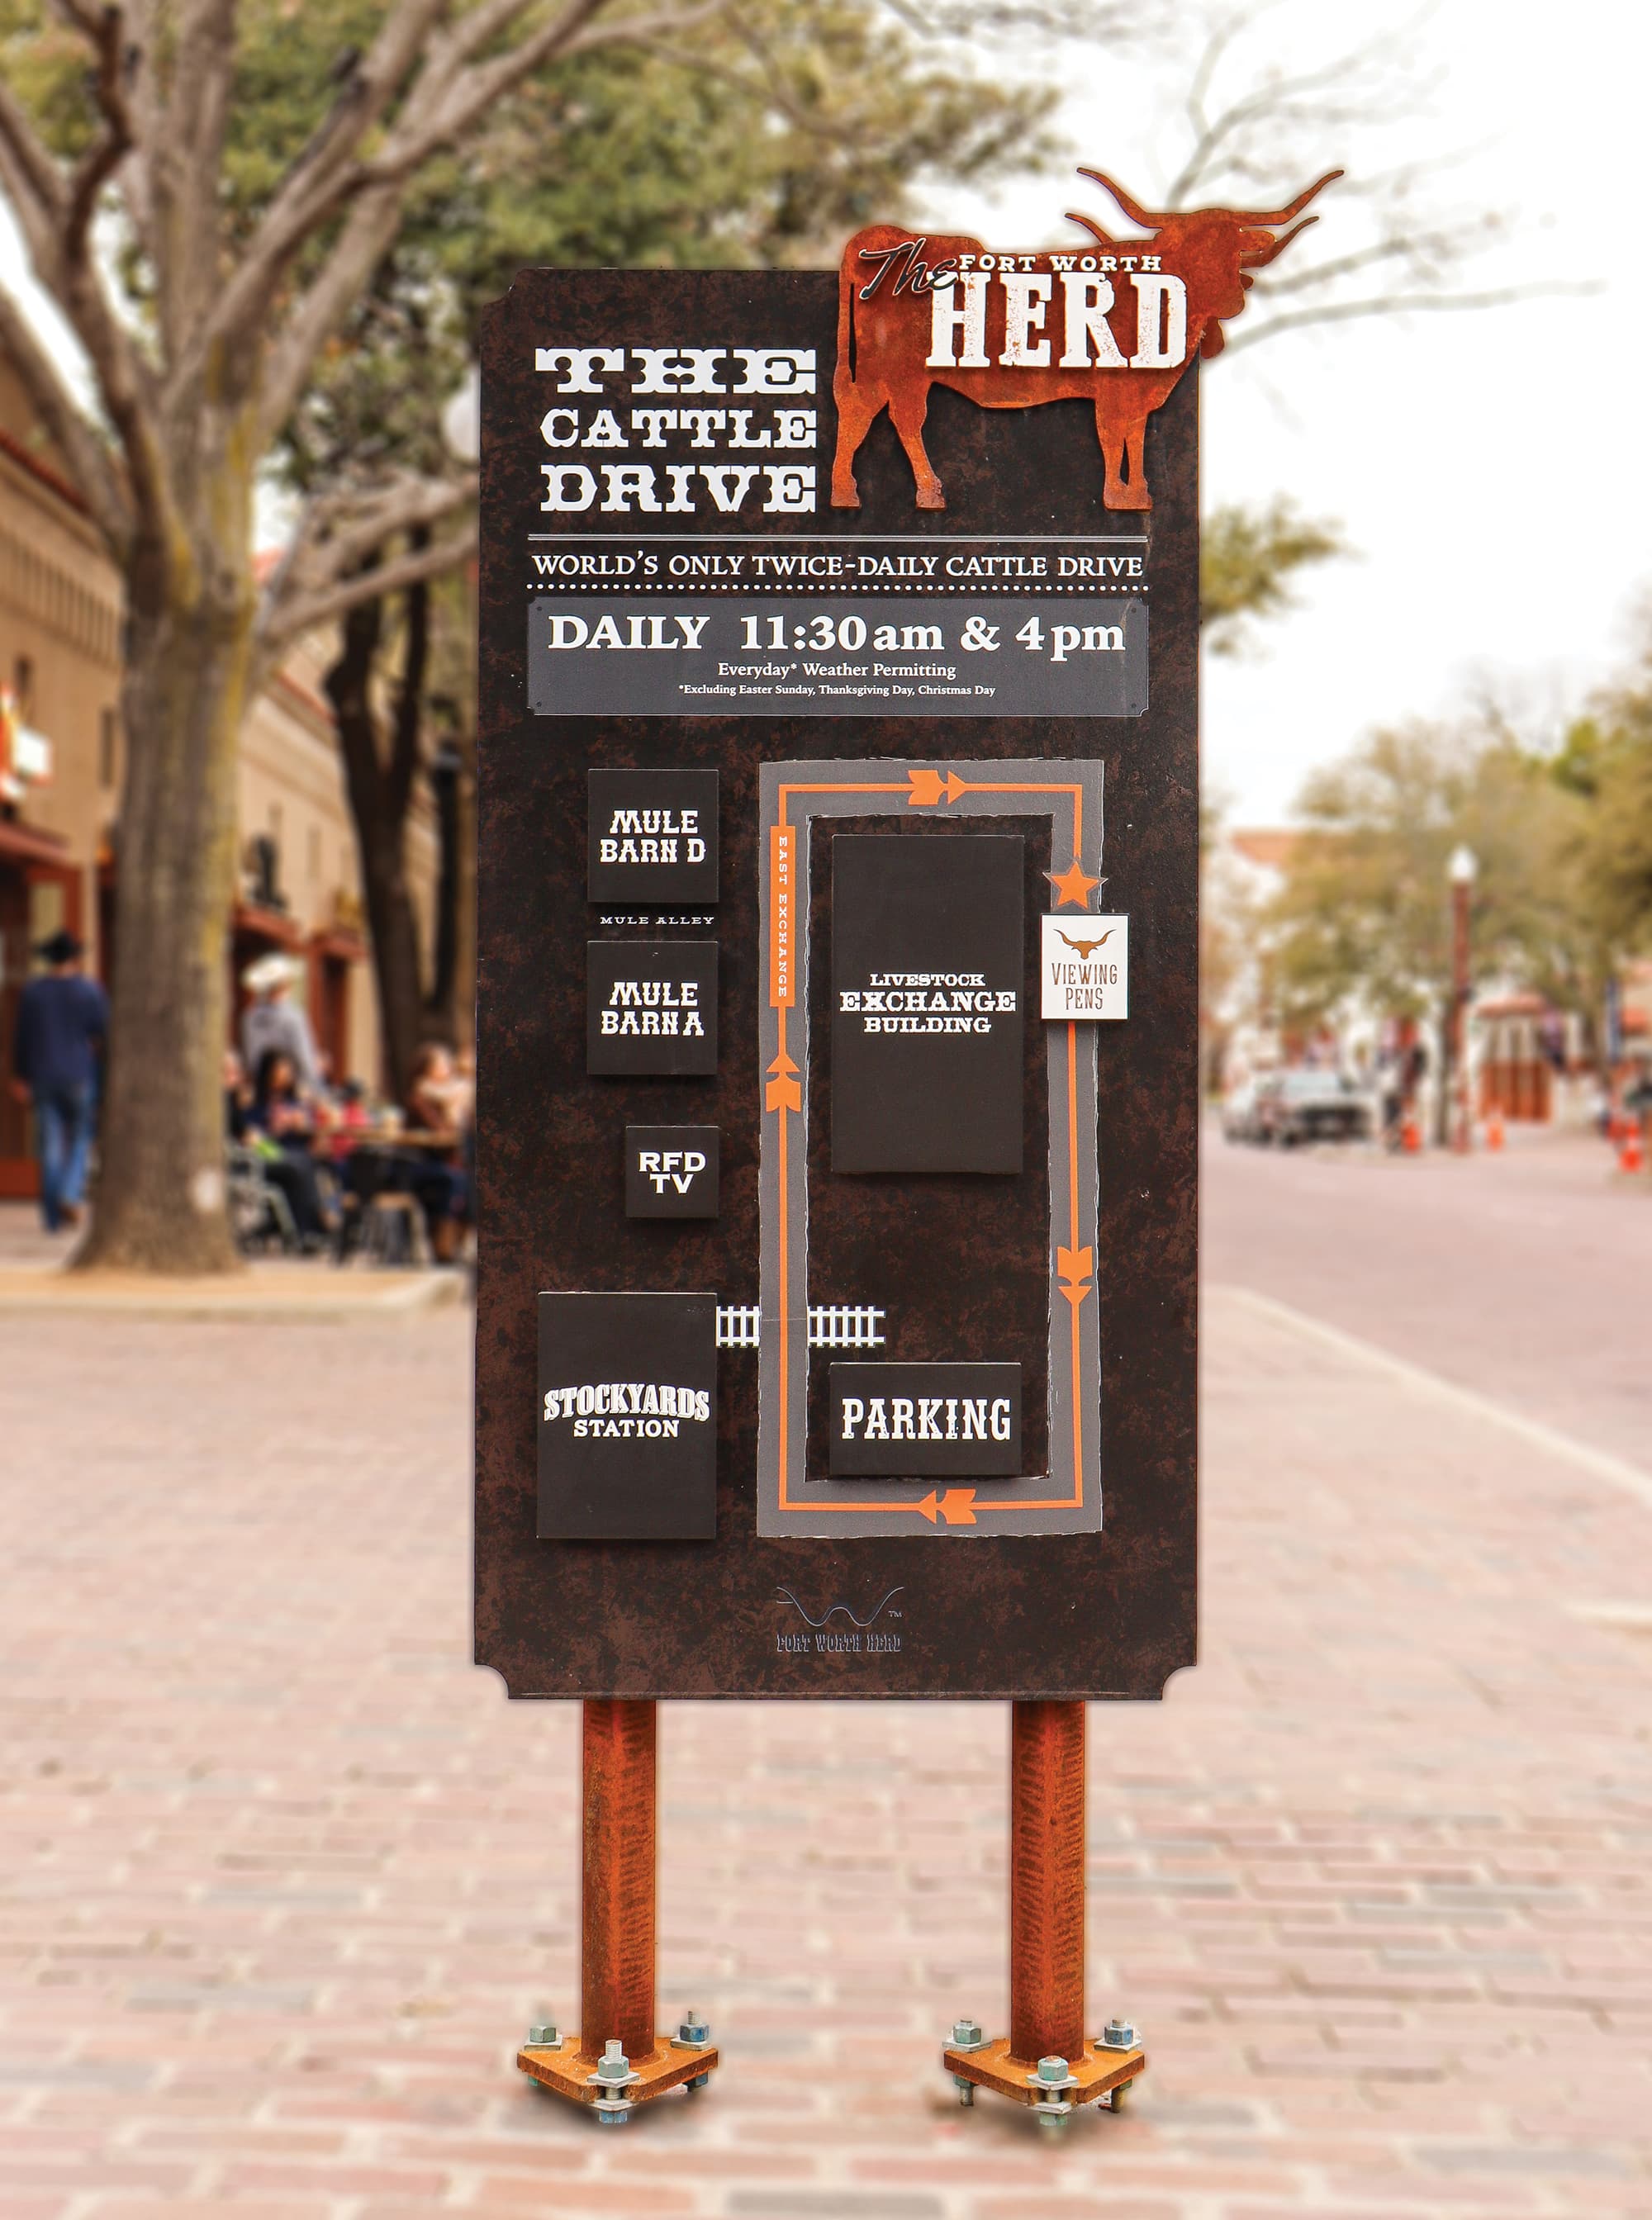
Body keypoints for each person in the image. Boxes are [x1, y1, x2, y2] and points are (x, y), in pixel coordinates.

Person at [8, 927, 107, 1233]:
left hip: (42, 1077)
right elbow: (104, 1033)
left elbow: (21, 1039)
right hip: (79, 1075)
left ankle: (52, 1218)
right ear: (75, 959)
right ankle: (70, 1191)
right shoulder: (89, 991)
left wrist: (20, 1075)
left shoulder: (34, 993)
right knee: (80, 1138)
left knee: (50, 1146)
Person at [244, 1048, 336, 1248]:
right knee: (301, 1164)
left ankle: (315, 1227)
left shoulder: (295, 1101)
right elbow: (251, 1135)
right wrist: (274, 1129)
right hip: (268, 1158)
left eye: (288, 1070)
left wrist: (302, 1125)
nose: (285, 1075)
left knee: (313, 1163)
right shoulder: (256, 1102)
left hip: (297, 1157)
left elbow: (311, 1134)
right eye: (280, 1070)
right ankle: (310, 1230)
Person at [240, 953, 320, 1095]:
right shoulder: (293, 1016)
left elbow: (250, 1059)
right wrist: (314, 1086)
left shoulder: (250, 1017)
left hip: (260, 1089)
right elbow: (303, 1055)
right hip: (290, 1088)